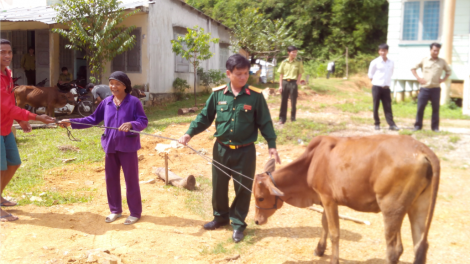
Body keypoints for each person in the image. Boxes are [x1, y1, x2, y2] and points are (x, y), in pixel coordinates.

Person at [178, 54, 281, 243]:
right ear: (229, 73)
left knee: (242, 188)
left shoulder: (256, 97)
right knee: (219, 186)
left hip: (245, 152)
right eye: (238, 74)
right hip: (221, 149)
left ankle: (238, 223)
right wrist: (189, 133)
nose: (243, 78)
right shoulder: (218, 94)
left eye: (246, 74)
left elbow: (265, 123)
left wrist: (272, 145)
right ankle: (220, 217)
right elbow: (204, 117)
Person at [59, 71, 148, 225]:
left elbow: (143, 121)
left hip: (128, 147)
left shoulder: (134, 102)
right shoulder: (106, 102)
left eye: (117, 84)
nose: (113, 86)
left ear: (125, 86)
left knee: (131, 180)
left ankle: (134, 212)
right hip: (110, 146)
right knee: (111, 179)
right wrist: (71, 122)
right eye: (111, 83)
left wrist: (132, 124)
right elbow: (92, 119)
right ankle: (115, 210)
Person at [0, 39, 55, 222]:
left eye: (9, 52)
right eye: (2, 52)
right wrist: (36, 117)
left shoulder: (7, 73)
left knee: (13, 163)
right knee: (0, 169)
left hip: (6, 126)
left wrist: (20, 120)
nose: (7, 56)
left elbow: (9, 105)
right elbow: (6, 107)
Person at [411, 43, 451, 132]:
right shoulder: (424, 60)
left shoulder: (442, 62)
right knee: (420, 108)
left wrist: (443, 79)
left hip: (435, 89)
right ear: (430, 50)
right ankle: (417, 126)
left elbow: (448, 71)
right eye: (434, 50)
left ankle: (435, 128)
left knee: (435, 109)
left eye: (437, 51)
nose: (436, 52)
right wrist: (419, 78)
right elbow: (413, 68)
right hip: (424, 89)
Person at [368, 43, 399, 131]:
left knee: (388, 106)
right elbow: (370, 74)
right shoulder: (375, 62)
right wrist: (376, 82)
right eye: (381, 51)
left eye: (384, 51)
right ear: (379, 51)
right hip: (377, 87)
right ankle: (377, 123)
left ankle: (391, 124)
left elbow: (391, 73)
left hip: (386, 88)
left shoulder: (391, 62)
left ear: (387, 51)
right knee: (376, 105)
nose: (383, 52)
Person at [277, 46, 304, 124]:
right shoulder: (284, 62)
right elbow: (281, 75)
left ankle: (293, 118)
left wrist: (297, 82)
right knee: (283, 101)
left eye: (296, 52)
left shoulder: (298, 62)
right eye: (293, 52)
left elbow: (300, 73)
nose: (295, 54)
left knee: (293, 101)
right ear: (288, 53)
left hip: (293, 83)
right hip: (285, 82)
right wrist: (280, 86)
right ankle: (282, 119)